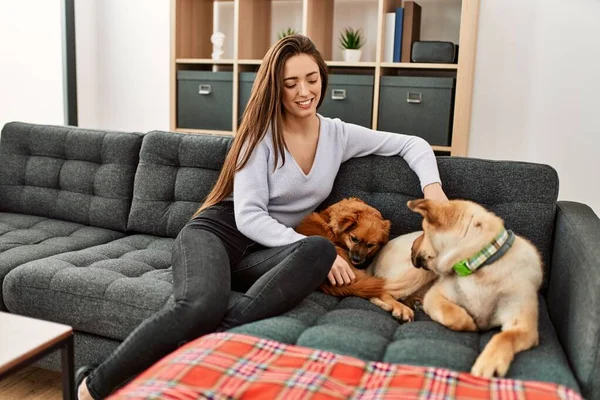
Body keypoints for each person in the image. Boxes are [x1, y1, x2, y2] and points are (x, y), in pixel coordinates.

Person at [76, 34, 448, 399]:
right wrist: (308, 245)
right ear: (276, 88)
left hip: (264, 253)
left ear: (322, 78)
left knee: (319, 250)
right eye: (291, 83)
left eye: (312, 79)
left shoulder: (337, 134)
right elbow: (250, 217)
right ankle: (92, 385)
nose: (304, 91)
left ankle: (187, 366)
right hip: (217, 235)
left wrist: (434, 194)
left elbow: (411, 143)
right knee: (201, 306)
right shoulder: (260, 136)